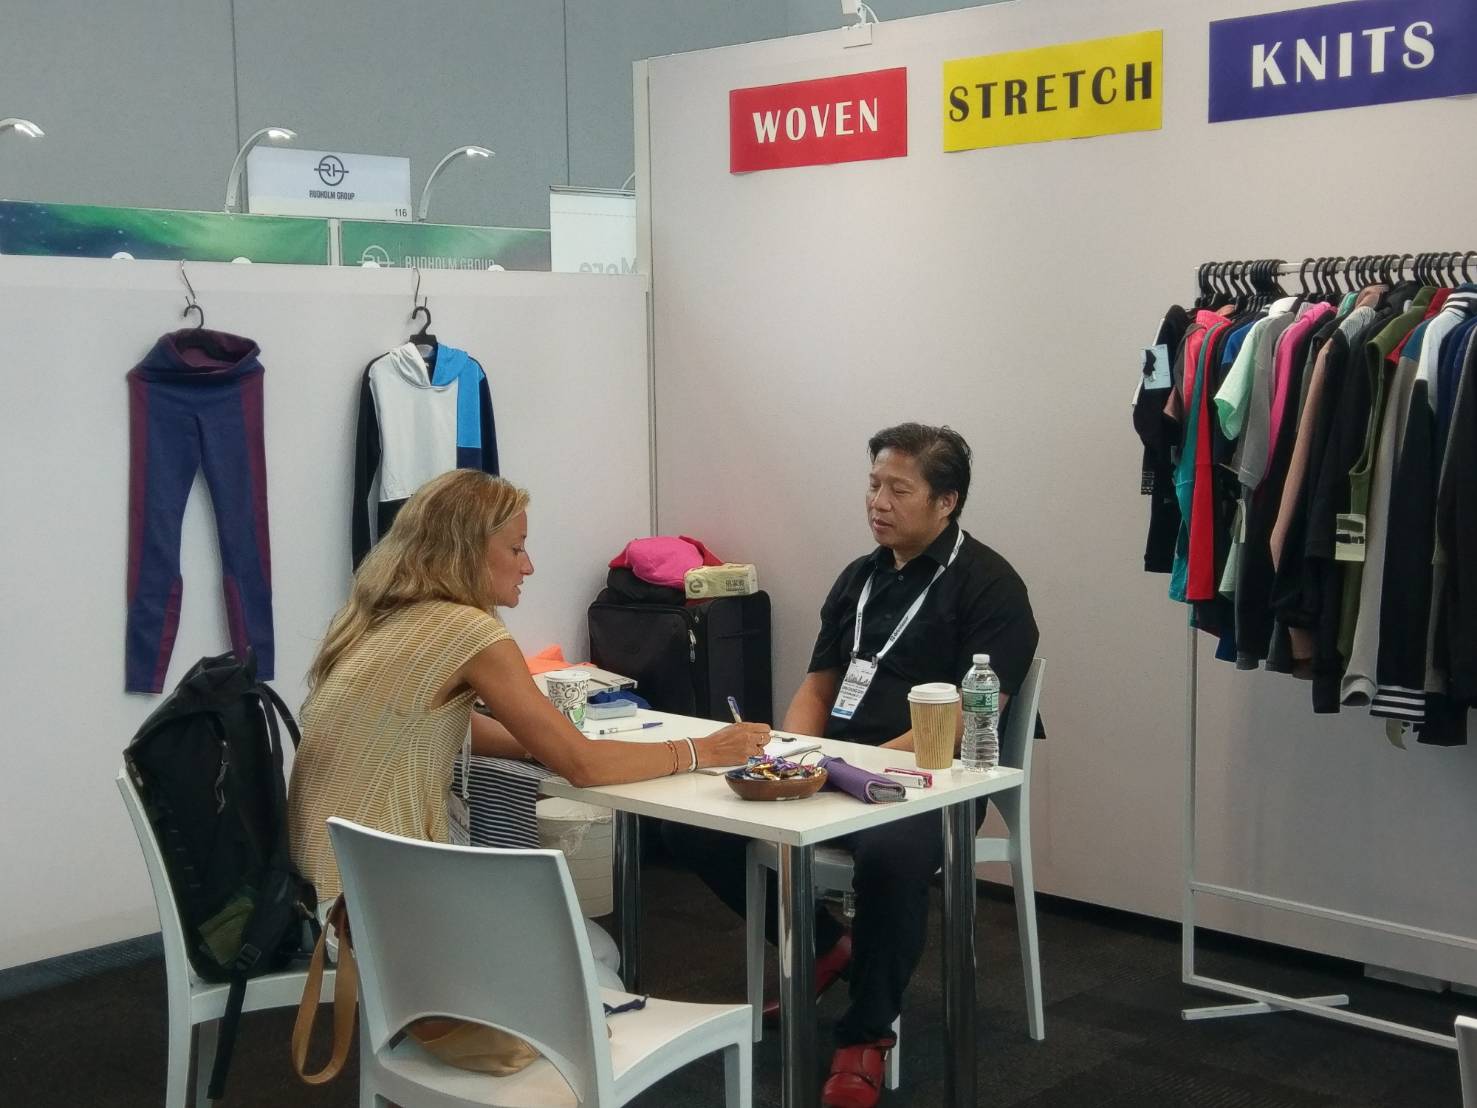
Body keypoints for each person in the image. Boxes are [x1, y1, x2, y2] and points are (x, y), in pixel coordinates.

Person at [663, 422, 1039, 1108]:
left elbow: (965, 717)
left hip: (930, 779)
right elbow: (819, 683)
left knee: (893, 855)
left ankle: (865, 1035)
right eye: (873, 485)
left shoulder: (990, 586)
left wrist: (853, 765)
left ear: (946, 501)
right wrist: (790, 753)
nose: (878, 503)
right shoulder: (860, 578)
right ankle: (825, 945)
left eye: (899, 489)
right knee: (694, 818)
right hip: (832, 766)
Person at [288, 466, 770, 956]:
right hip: (375, 906)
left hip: (319, 891)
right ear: (467, 552)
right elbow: (583, 768)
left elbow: (446, 726)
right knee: (598, 954)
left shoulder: (377, 618)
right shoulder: (467, 631)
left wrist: (549, 745)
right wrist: (702, 750)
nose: (529, 566)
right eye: (516, 549)